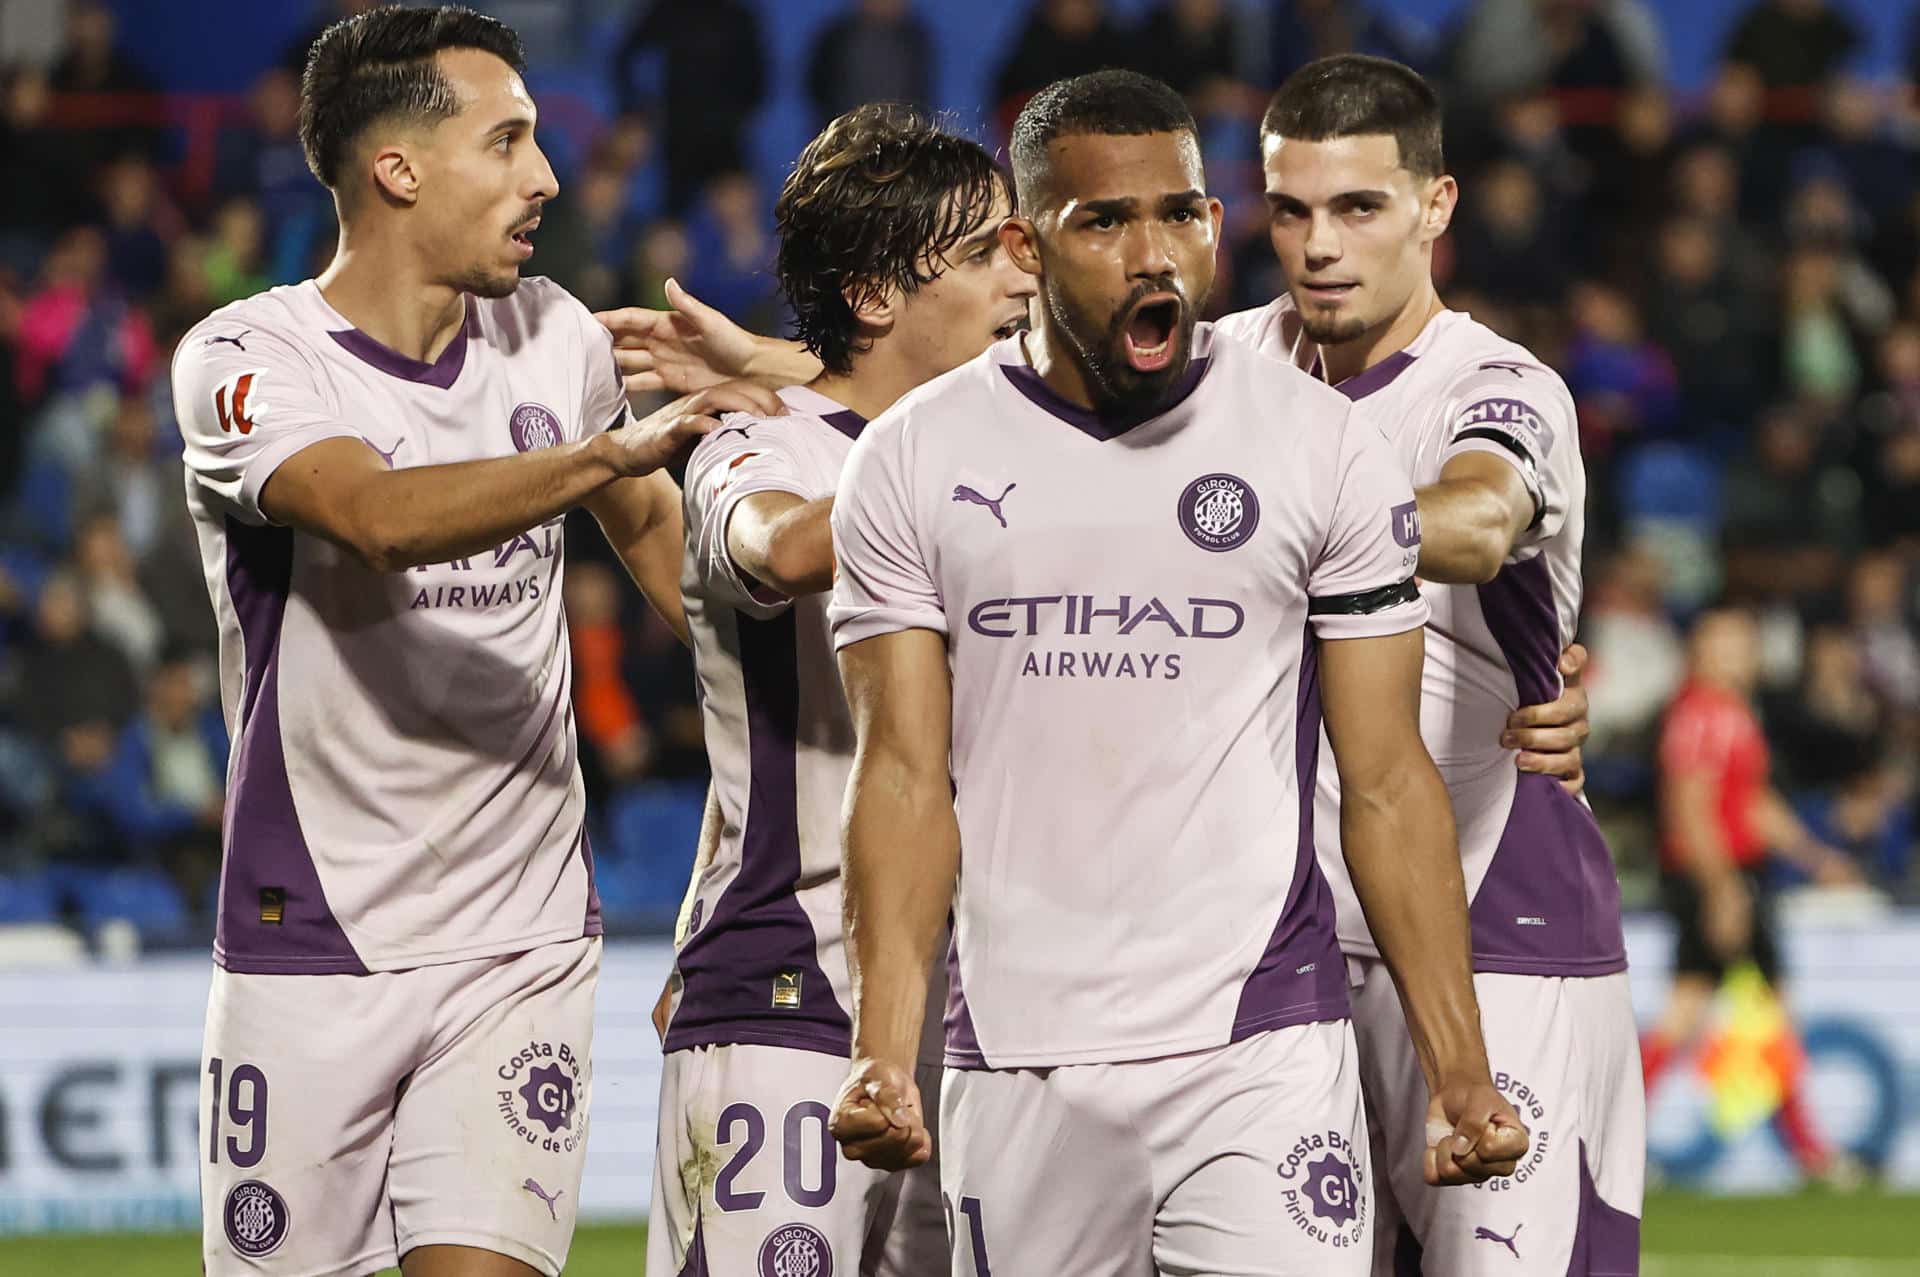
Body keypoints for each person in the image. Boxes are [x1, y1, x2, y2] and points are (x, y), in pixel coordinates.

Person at [824, 70, 1526, 1275]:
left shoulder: (1318, 447)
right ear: (1025, 245)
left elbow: (1389, 780)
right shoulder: (914, 461)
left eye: (1181, 215)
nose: (1154, 254)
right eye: (1104, 221)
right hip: (1020, 1053)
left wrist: (1458, 1068)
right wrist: (885, 1048)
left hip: (1260, 1049)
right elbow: (900, 778)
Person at [169, 8, 776, 1276]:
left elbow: (677, 567)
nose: (544, 177)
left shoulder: (555, 335)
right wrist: (603, 453)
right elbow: (375, 519)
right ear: (398, 169)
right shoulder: (248, 356)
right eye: (507, 142)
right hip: (314, 939)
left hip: (521, 935)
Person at [1214, 54, 1644, 1274]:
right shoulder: (1221, 369)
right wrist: (789, 373)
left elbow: (1477, 518)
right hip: (1290, 950)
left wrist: (1267, 520)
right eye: (1291, 210)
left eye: (1361, 208)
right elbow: (999, 399)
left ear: (1437, 206)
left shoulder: (1500, 385)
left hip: (1499, 920)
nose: (1319, 246)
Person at [639, 102, 1034, 1277]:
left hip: (986, 1007)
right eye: (983, 254)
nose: (1023, 280)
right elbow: (777, 546)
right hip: (791, 985)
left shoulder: (1028, 448)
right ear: (874, 294)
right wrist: (939, 439)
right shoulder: (758, 444)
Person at [1643, 606, 1860, 1181]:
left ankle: (1810, 1152)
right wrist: (1721, 892)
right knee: (1694, 1015)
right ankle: (1810, 1153)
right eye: (1728, 642)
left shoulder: (1735, 713)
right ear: (1701, 652)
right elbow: (1689, 808)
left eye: (1746, 641)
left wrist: (1816, 859)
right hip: (1717, 878)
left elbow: (1754, 805)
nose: (1742, 652)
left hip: (1738, 877)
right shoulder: (1699, 714)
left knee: (1755, 1015)